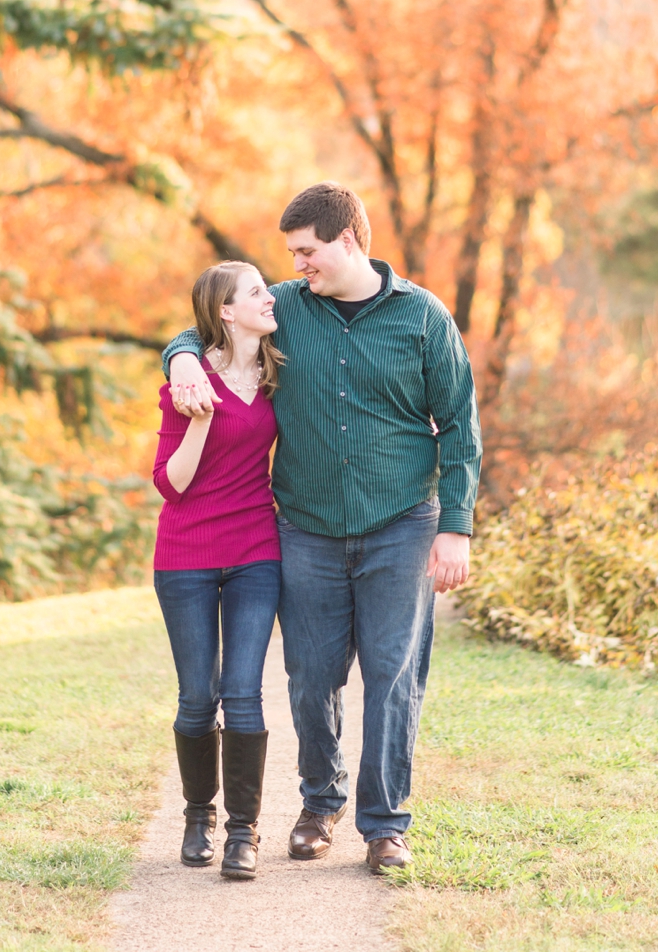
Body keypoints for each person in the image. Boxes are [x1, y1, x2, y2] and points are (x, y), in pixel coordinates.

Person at [164, 182, 480, 874]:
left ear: (347, 240)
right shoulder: (286, 310)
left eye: (306, 251)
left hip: (401, 524)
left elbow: (460, 423)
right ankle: (319, 803)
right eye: (292, 255)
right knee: (309, 676)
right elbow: (204, 323)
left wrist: (455, 526)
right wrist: (181, 358)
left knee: (393, 676)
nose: (297, 264)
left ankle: (385, 825)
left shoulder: (422, 317)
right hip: (305, 529)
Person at [153, 261, 283, 881]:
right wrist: (199, 420)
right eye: (256, 291)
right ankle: (198, 816)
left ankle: (243, 832)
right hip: (186, 556)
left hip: (257, 549)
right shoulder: (188, 382)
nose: (271, 296)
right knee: (197, 696)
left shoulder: (279, 371)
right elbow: (170, 486)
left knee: (245, 692)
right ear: (226, 311)